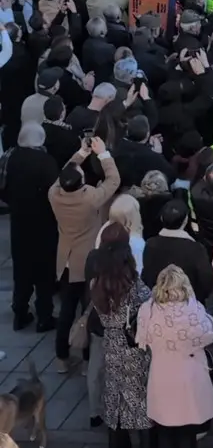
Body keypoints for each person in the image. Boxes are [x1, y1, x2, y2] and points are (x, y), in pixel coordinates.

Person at [134, 265, 213, 448]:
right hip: (188, 378)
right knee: (186, 436)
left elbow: (142, 339)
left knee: (165, 432)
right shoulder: (192, 311)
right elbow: (211, 333)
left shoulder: (147, 311)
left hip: (161, 376)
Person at [48, 138, 121, 368]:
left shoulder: (54, 194)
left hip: (66, 261)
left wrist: (81, 152)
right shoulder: (90, 198)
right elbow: (113, 180)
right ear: (81, 184)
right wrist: (103, 154)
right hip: (88, 262)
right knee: (89, 310)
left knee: (66, 311)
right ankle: (88, 358)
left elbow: (65, 173)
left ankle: (62, 357)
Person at [89, 226, 152, 448]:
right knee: (140, 405)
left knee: (114, 402)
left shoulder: (97, 283)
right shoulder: (134, 286)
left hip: (111, 344)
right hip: (134, 347)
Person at [5, 124, 59, 332]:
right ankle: (44, 316)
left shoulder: (10, 158)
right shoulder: (46, 162)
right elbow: (55, 192)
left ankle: (20, 312)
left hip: (19, 221)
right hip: (43, 223)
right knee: (44, 270)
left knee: (22, 269)